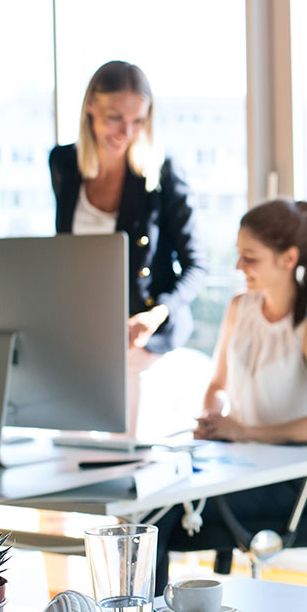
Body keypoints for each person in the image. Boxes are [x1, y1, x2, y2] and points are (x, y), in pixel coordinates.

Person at [155, 198, 307, 591]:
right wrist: (213, 418)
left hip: (291, 480)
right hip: (237, 465)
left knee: (159, 516)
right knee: (149, 497)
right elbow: (216, 385)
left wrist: (242, 432)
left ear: (288, 258)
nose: (239, 267)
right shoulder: (240, 308)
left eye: (250, 258)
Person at [49, 60, 206, 386]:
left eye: (138, 120)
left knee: (122, 424)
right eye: (115, 118)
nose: (127, 132)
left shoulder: (163, 174)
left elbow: (197, 266)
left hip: (145, 335)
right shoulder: (64, 163)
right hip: (84, 328)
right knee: (65, 421)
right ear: (90, 106)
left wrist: (157, 314)